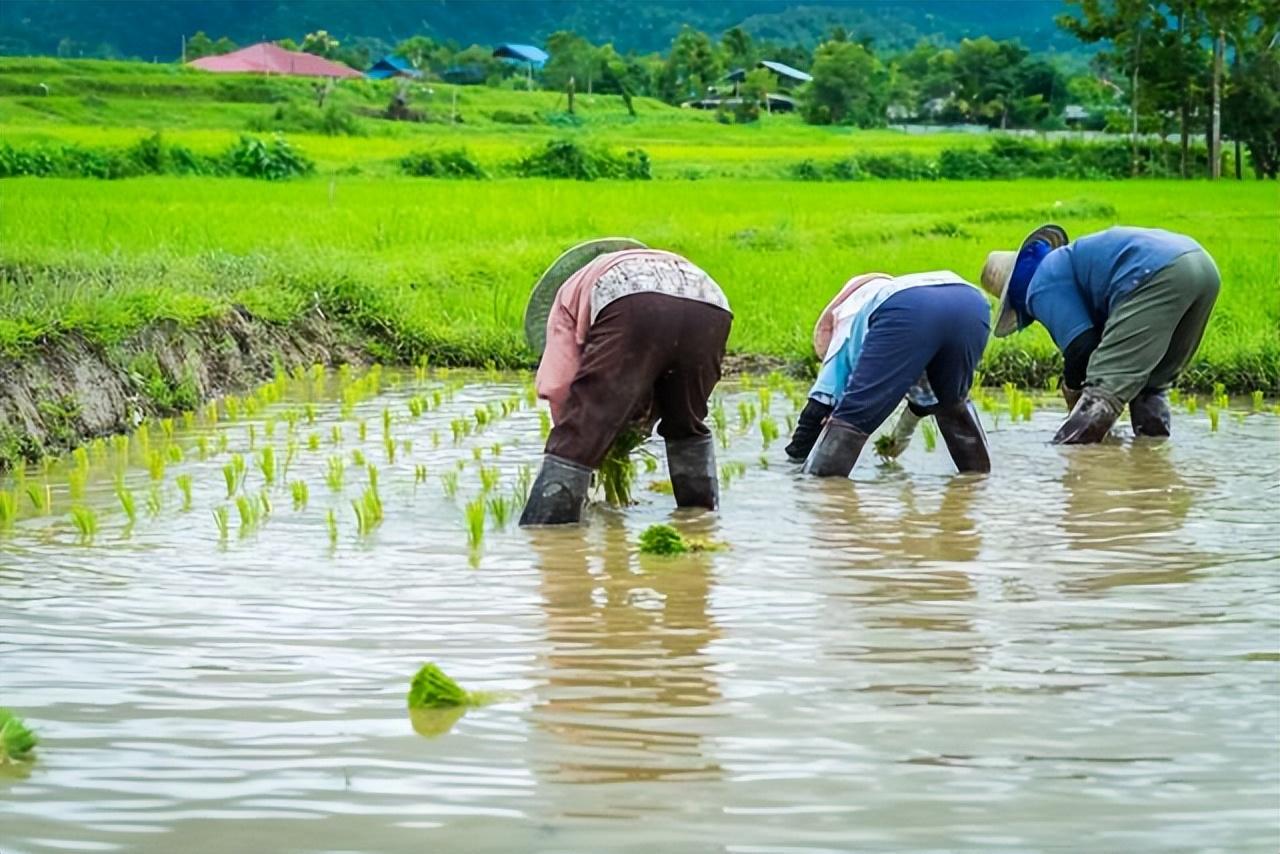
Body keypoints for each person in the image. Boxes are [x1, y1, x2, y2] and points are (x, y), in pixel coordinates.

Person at [520, 238, 733, 526]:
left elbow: (558, 386)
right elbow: (651, 376)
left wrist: (578, 439)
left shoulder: (569, 294)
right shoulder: (654, 263)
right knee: (686, 420)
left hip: (633, 303)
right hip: (711, 302)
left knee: (585, 425)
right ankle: (700, 519)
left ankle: (548, 528)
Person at [980, 225, 1220, 443]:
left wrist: (1073, 389)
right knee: (1151, 386)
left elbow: (1081, 347)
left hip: (1152, 273)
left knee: (1104, 390)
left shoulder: (1040, 283)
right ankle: (1152, 455)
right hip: (1201, 266)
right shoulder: (1066, 262)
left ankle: (1074, 455)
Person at [784, 269, 992, 478]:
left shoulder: (844, 331)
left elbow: (817, 408)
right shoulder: (885, 298)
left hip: (907, 308)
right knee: (951, 403)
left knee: (855, 414)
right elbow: (926, 398)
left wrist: (797, 464)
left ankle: (822, 486)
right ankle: (977, 481)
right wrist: (900, 437)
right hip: (971, 303)